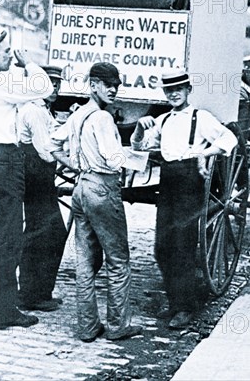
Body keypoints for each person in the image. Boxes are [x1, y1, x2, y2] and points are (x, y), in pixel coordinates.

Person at [131, 68, 238, 329]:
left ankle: (185, 307)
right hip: (168, 182)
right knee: (161, 247)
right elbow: (138, 147)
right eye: (169, 90)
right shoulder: (163, 120)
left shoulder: (200, 118)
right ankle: (174, 302)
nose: (174, 94)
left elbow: (230, 138)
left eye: (179, 89)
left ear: (189, 90)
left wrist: (205, 153)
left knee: (183, 246)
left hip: (190, 183)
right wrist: (138, 127)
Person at [49, 62, 146, 343]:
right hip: (102, 190)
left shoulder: (78, 114)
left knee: (85, 261)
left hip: (81, 189)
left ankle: (88, 327)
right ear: (93, 85)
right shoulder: (103, 119)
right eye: (107, 84)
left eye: (116, 84)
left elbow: (52, 145)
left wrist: (77, 165)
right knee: (119, 260)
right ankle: (117, 326)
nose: (113, 89)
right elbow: (113, 158)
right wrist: (144, 158)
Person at [0, 26, 52, 330]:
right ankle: (3, 312)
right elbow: (44, 88)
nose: (10, 57)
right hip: (4, 159)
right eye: (5, 52)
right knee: (9, 238)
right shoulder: (0, 82)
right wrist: (29, 63)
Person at [18, 65, 68, 312]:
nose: (55, 88)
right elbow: (46, 152)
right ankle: (29, 295)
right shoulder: (34, 111)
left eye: (58, 83)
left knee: (49, 231)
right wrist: (71, 160)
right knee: (43, 231)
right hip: (35, 175)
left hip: (40, 176)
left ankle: (39, 292)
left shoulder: (44, 110)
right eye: (50, 82)